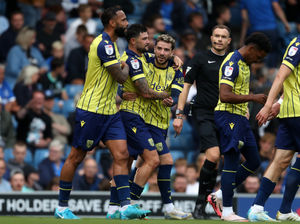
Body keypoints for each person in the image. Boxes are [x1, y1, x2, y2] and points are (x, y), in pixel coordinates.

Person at [54, 7, 150, 220]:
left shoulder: (113, 45)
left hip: (109, 111)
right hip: (91, 110)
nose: (127, 23)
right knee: (76, 157)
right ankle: (61, 207)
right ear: (112, 23)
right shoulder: (104, 45)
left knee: (122, 155)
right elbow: (121, 77)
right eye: (123, 20)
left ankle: (124, 207)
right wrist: (125, 66)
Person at [123, 34, 192, 220]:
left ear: (172, 52)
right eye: (159, 48)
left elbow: (176, 95)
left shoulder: (176, 70)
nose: (162, 53)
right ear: (154, 48)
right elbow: (129, 59)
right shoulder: (144, 59)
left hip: (160, 123)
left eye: (166, 50)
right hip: (142, 119)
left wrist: (170, 102)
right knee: (163, 161)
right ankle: (131, 204)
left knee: (140, 163)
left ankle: (127, 203)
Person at [106, 24, 169, 219]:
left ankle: (113, 208)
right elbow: (145, 92)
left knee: (126, 162)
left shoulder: (142, 57)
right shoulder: (131, 60)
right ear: (133, 41)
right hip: (130, 114)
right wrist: (167, 94)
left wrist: (174, 57)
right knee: (153, 159)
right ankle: (131, 204)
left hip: (135, 115)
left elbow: (160, 57)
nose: (149, 42)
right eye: (145, 39)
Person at [173, 24, 231, 219]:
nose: (219, 39)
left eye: (223, 37)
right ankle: (200, 206)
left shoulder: (233, 61)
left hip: (227, 115)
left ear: (228, 41)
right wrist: (179, 115)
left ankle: (205, 206)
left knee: (218, 161)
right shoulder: (199, 58)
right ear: (211, 38)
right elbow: (185, 87)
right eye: (216, 36)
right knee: (213, 156)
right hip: (204, 113)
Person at [213, 32, 271, 221]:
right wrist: (253, 98)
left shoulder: (246, 65)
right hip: (227, 115)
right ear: (252, 49)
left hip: (240, 118)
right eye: (259, 56)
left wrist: (246, 106)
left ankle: (221, 194)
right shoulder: (233, 62)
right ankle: (228, 211)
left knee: (254, 160)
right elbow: (225, 95)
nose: (258, 61)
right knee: (232, 159)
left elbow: (238, 91)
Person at [248, 34, 300, 222]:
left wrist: (279, 102)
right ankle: (285, 208)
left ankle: (257, 208)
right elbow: (281, 76)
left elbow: (293, 81)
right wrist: (269, 104)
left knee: (281, 160)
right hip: (297, 112)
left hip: (290, 112)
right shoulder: (298, 44)